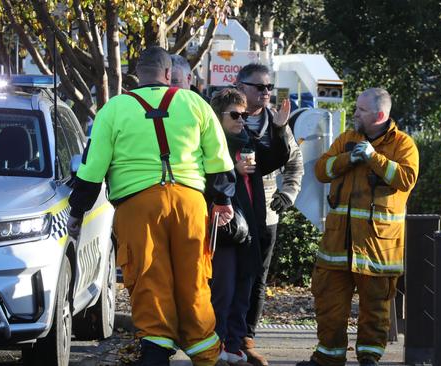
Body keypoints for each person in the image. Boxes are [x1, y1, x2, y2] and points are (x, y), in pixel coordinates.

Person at [67, 46, 235, 366]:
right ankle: (207, 355)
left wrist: (77, 213)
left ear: (135, 76)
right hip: (190, 204)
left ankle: (156, 354)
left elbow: (91, 170)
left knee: (148, 281)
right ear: (170, 74)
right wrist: (223, 201)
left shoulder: (113, 109)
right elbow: (218, 159)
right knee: (195, 280)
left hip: (137, 207)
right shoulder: (194, 102)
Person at [297, 88, 419, 366]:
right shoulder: (347, 140)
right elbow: (321, 171)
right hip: (338, 245)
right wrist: (348, 159)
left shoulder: (403, 144)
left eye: (361, 110)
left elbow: (406, 179)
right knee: (329, 305)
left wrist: (374, 158)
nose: (356, 114)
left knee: (375, 309)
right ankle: (328, 357)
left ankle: (369, 358)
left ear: (379, 115)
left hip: (378, 246)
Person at [209, 88, 291, 365]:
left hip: (250, 229)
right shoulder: (209, 144)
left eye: (244, 115)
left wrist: (279, 129)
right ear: (217, 116)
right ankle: (217, 344)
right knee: (223, 290)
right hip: (224, 229)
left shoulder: (248, 141)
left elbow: (276, 159)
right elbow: (205, 181)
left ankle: (234, 344)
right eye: (235, 114)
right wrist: (234, 170)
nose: (242, 120)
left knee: (244, 288)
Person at [235, 63, 304, 366]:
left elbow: (294, 162)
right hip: (232, 214)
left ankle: (247, 339)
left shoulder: (277, 122)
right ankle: (224, 337)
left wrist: (287, 194)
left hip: (266, 217)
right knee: (228, 275)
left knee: (258, 279)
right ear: (241, 87)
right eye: (259, 87)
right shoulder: (226, 116)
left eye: (269, 87)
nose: (266, 93)